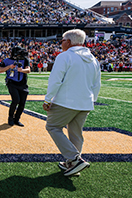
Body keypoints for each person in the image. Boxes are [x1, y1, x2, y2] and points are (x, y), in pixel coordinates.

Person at [43, 29, 101, 177]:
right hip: (86, 102)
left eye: (62, 40)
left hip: (66, 101)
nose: (61, 43)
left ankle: (74, 160)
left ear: (68, 42)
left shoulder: (65, 56)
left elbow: (55, 80)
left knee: (52, 126)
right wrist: (91, 100)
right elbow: (97, 84)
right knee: (76, 133)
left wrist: (48, 99)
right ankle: (72, 164)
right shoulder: (94, 59)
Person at [0, 46, 31, 126]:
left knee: (22, 103)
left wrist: (22, 70)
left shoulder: (25, 60)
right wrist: (9, 67)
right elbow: (1, 70)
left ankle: (17, 119)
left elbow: (28, 70)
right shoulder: (7, 60)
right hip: (12, 83)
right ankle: (10, 118)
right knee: (16, 100)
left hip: (23, 83)